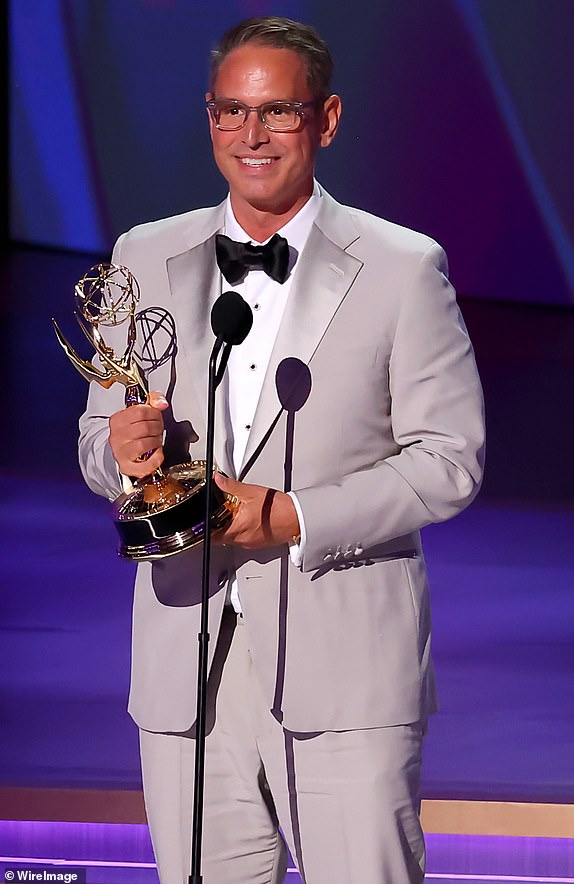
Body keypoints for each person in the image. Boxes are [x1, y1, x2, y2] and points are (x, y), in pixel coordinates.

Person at [79, 16, 485, 884]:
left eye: (277, 114)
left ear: (326, 120)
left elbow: (449, 458)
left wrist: (291, 516)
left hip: (344, 674)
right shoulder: (143, 255)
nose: (250, 137)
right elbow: (95, 439)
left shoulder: (403, 267)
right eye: (230, 113)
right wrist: (124, 451)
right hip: (184, 668)